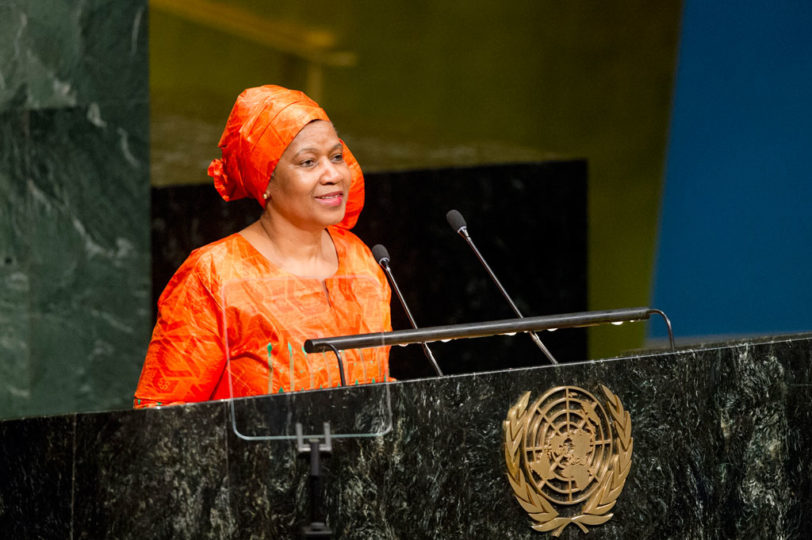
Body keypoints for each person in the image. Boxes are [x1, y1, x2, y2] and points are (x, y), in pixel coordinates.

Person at [134, 85, 392, 408]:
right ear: (265, 179)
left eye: (337, 156)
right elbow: (160, 419)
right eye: (309, 162)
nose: (333, 174)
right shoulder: (214, 275)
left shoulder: (362, 261)